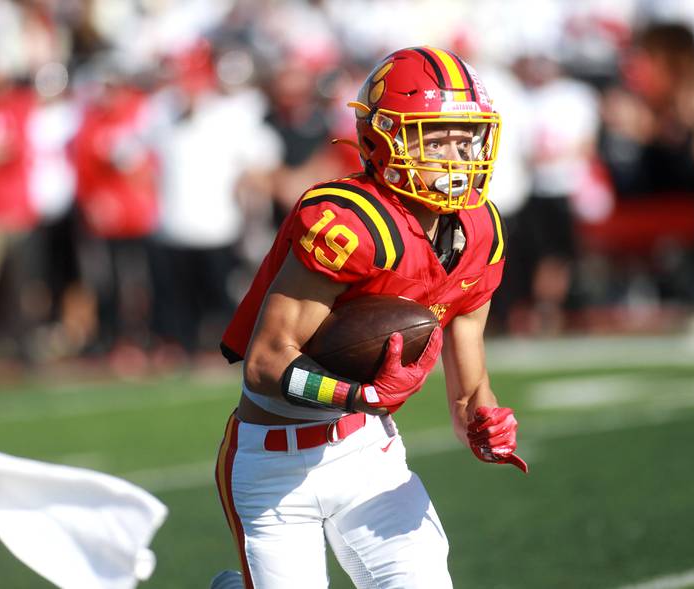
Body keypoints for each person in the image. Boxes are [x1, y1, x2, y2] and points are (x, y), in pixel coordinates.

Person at [211, 46, 527, 589]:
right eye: (436, 136)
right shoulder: (349, 223)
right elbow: (265, 365)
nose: (456, 154)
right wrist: (362, 394)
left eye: (464, 135)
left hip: (368, 454)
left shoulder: (480, 229)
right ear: (385, 138)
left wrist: (482, 421)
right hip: (274, 465)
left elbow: (469, 388)